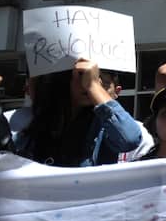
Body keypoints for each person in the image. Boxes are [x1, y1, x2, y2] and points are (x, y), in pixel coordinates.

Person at [14, 58, 144, 166]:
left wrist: (93, 87)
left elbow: (129, 139)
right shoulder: (33, 123)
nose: (86, 83)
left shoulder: (103, 125)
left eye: (94, 76)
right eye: (81, 75)